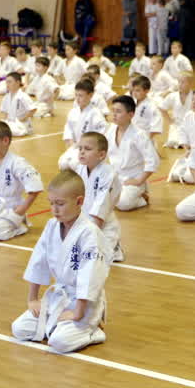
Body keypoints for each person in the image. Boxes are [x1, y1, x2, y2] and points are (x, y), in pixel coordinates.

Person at [10, 170, 109, 353]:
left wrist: (78, 313)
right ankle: (58, 326)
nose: (54, 209)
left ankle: (93, 331)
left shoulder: (89, 233)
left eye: (60, 204)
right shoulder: (51, 226)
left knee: (59, 342)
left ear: (79, 202)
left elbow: (90, 277)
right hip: (58, 297)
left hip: (83, 303)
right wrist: (32, 299)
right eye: (51, 203)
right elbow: (38, 261)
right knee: (19, 329)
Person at [106, 95, 158, 212]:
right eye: (113, 111)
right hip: (116, 177)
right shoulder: (110, 130)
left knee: (123, 204)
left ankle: (142, 197)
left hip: (133, 179)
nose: (114, 114)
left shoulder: (139, 135)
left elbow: (153, 161)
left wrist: (139, 180)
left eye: (118, 111)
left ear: (131, 114)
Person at [76, 132, 122, 261]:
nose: (82, 152)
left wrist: (88, 235)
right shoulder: (79, 170)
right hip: (84, 222)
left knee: (92, 259)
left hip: (104, 224)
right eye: (80, 148)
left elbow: (101, 206)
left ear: (101, 155)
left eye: (87, 149)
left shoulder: (108, 174)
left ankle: (114, 247)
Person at [58, 80, 109, 172]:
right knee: (63, 163)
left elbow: (101, 135)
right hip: (76, 147)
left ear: (90, 95)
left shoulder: (95, 113)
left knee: (75, 164)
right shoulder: (73, 112)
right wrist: (70, 143)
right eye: (76, 95)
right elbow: (68, 129)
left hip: (90, 149)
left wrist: (90, 148)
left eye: (81, 95)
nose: (77, 98)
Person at [0, 72, 36, 137]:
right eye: (6, 82)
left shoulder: (23, 95)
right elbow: (5, 112)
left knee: (6, 131)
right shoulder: (6, 96)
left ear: (18, 83)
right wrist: (5, 121)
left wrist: (23, 119)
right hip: (11, 123)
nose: (7, 84)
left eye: (10, 82)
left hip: (21, 124)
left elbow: (33, 109)